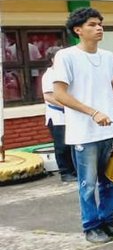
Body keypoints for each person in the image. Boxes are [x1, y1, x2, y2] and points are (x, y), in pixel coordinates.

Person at [52, 7, 113, 244]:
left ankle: (108, 222)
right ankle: (91, 227)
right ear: (78, 30)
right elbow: (59, 94)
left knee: (111, 182)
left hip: (109, 130)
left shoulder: (107, 56)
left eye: (100, 24)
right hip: (84, 133)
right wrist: (93, 112)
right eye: (92, 25)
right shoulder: (66, 56)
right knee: (87, 184)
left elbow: (109, 90)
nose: (99, 28)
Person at [41, 46, 77, 183]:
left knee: (72, 143)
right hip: (57, 116)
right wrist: (67, 105)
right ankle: (65, 172)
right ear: (52, 59)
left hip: (70, 114)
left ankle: (75, 171)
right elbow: (49, 96)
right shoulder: (49, 75)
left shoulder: (66, 72)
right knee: (62, 146)